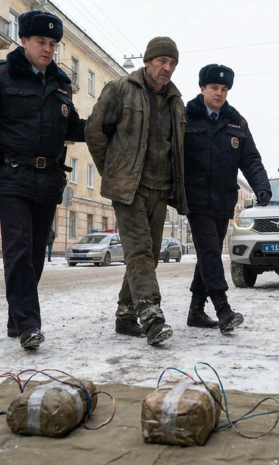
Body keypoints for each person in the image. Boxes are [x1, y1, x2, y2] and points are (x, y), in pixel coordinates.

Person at [0, 10, 86, 349]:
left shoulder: (59, 84)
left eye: (53, 44)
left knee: (37, 254)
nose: (47, 49)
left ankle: (17, 318)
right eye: (41, 42)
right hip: (11, 175)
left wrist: (107, 127)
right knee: (18, 250)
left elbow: (71, 127)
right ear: (24, 40)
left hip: (48, 179)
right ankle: (30, 324)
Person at [86, 37, 188, 345]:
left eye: (172, 63)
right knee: (140, 251)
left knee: (148, 256)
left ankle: (125, 315)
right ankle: (152, 317)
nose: (166, 68)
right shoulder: (121, 89)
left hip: (161, 189)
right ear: (148, 61)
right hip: (129, 189)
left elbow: (178, 148)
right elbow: (94, 129)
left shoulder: (175, 101)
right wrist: (112, 170)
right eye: (161, 61)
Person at [182, 64, 270, 334]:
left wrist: (261, 187)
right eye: (213, 88)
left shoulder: (237, 122)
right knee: (210, 252)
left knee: (207, 255)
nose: (218, 93)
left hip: (223, 200)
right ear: (202, 88)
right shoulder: (185, 117)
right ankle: (223, 309)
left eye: (223, 89)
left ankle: (196, 311)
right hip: (195, 198)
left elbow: (250, 159)